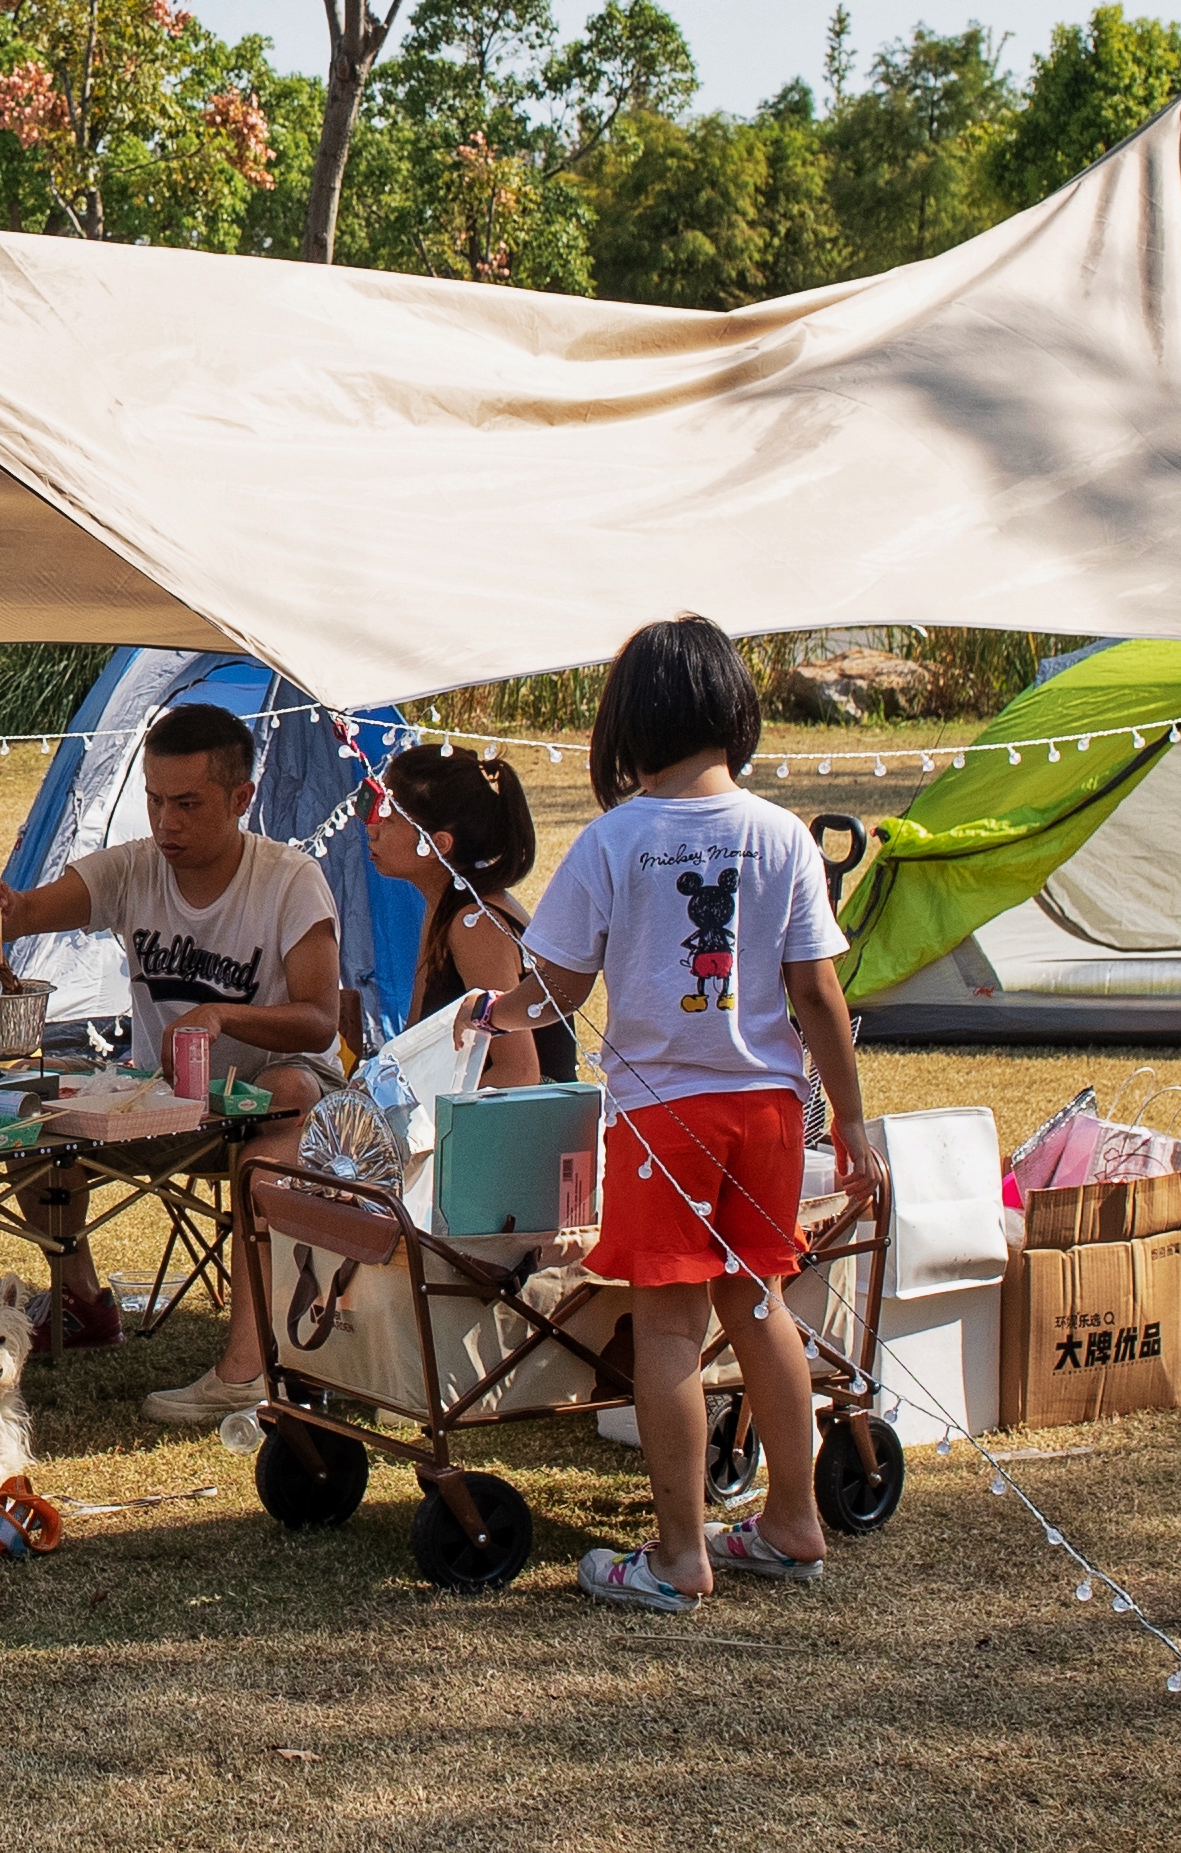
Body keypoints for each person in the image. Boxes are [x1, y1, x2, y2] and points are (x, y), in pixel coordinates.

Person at [478, 614, 875, 1614]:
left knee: (665, 1331)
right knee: (757, 1306)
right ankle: (790, 1519)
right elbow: (819, 996)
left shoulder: (614, 842)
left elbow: (555, 991)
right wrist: (855, 1128)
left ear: (628, 725)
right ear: (730, 712)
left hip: (664, 1123)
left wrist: (490, 1008)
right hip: (769, 1116)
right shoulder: (783, 836)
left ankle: (677, 1553)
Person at [0, 702, 343, 1428]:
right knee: (29, 1101)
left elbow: (321, 1019)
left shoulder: (290, 881)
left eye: (188, 804)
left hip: (280, 1092)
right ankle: (79, 1302)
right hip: (172, 1099)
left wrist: (226, 1015)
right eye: (154, 801)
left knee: (286, 1090)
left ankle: (246, 1366)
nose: (166, 822)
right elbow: (27, 914)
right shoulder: (136, 867)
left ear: (241, 800)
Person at [365, 746, 567, 1085]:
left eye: (388, 817)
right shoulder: (445, 903)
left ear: (438, 844)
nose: (372, 829)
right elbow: (411, 1045)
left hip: (518, 1127)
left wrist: (429, 1125)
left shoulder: (475, 922)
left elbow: (521, 1074)